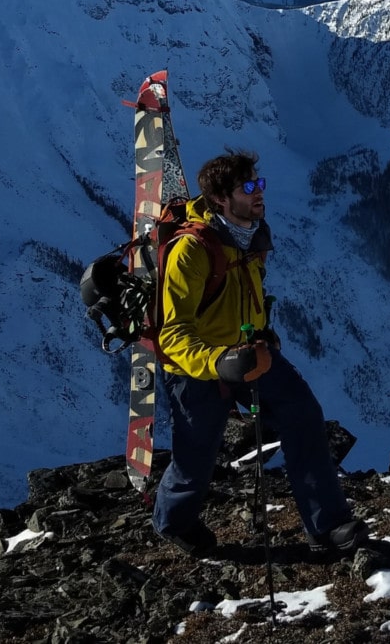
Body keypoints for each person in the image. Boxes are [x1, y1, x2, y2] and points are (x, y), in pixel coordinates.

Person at [151, 148, 368, 557]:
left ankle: (328, 525)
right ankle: (173, 522)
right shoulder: (191, 251)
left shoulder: (249, 236)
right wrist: (218, 362)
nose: (258, 194)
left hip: (251, 354)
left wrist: (263, 332)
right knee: (195, 457)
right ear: (219, 198)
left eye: (259, 184)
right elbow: (174, 335)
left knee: (302, 413)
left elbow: (245, 297)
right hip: (197, 369)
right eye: (248, 187)